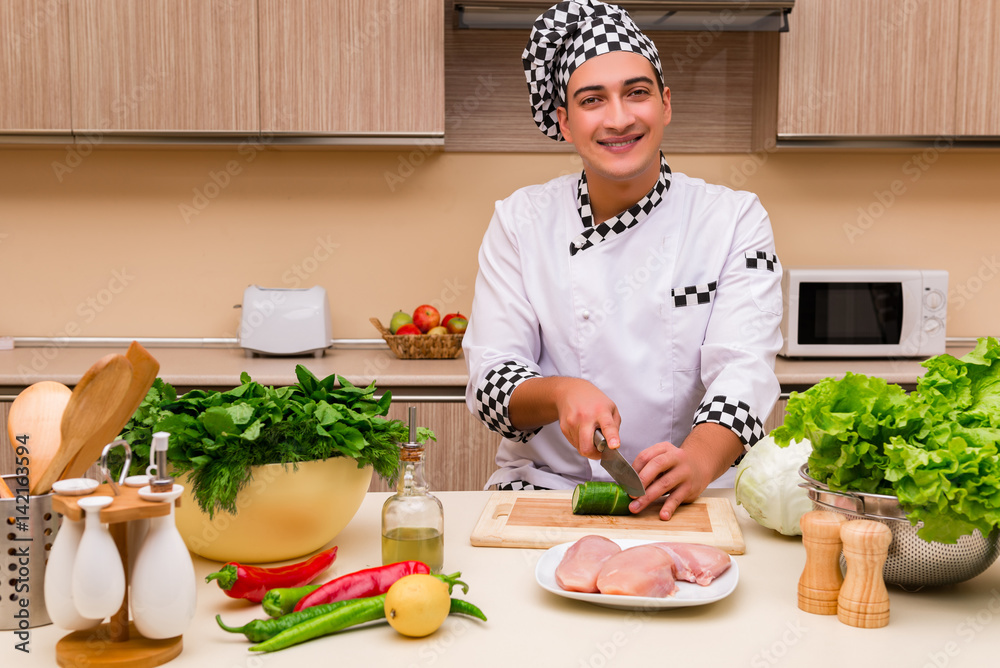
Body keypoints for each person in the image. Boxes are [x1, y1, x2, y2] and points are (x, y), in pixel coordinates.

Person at [462, 0, 783, 520]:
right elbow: (491, 378)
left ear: (666, 104)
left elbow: (745, 370)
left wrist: (699, 460)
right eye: (593, 100)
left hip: (690, 496)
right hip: (546, 491)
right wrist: (560, 392)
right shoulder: (520, 220)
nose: (619, 118)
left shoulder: (733, 219)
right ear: (565, 121)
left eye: (637, 93)